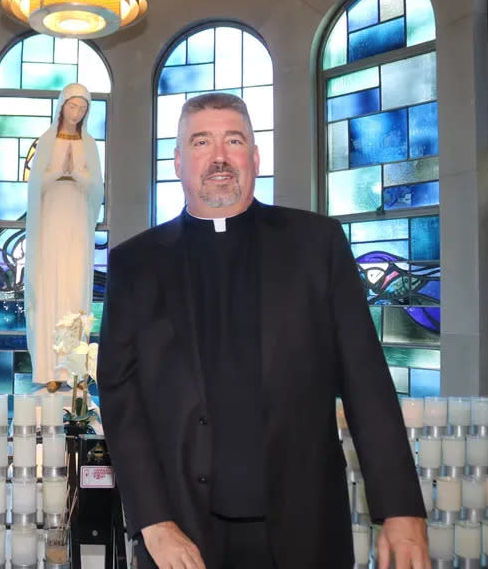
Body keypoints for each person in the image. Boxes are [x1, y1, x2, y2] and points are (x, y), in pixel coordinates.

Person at [97, 93, 429, 569]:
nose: (218, 157)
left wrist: (399, 508)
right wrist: (154, 523)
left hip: (304, 526)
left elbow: (366, 380)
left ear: (255, 157)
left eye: (234, 140)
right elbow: (120, 398)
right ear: (177, 162)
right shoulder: (134, 262)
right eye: (200, 142)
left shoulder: (317, 245)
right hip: (180, 534)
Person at [25, 83, 103, 392]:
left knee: (72, 291)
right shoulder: (47, 140)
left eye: (82, 109)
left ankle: (72, 370)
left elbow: (97, 188)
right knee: (49, 290)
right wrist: (57, 174)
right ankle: (49, 370)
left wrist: (79, 176)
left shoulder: (90, 144)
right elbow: (34, 188)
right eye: (73, 107)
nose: (77, 112)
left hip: (77, 223)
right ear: (62, 107)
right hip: (51, 224)